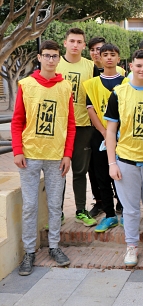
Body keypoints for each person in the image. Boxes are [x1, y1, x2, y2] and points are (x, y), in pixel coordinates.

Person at [12, 40, 75, 275]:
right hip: (29, 155)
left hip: (56, 156)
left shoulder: (65, 87)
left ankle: (54, 247)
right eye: (46, 55)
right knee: (29, 206)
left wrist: (67, 154)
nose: (50, 59)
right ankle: (29, 252)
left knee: (54, 205)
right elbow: (17, 120)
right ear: (39, 58)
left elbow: (70, 124)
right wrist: (18, 150)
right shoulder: (26, 85)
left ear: (59, 59)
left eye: (54, 56)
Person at [104, 49, 143, 266]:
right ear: (131, 66)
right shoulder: (119, 93)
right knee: (129, 208)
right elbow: (111, 131)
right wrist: (112, 163)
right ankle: (131, 245)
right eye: (139, 65)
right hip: (126, 159)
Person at [56, 27, 99, 227]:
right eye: (71, 41)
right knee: (58, 171)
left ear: (84, 45)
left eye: (79, 42)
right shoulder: (54, 64)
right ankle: (57, 212)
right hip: (58, 127)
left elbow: (96, 97)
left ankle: (81, 210)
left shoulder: (90, 67)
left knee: (80, 171)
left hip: (82, 125)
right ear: (65, 43)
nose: (75, 45)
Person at [84, 43, 127, 232]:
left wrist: (118, 134)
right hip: (99, 135)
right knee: (102, 175)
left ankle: (125, 212)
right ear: (99, 58)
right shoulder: (91, 83)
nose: (109, 58)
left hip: (124, 136)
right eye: (105, 55)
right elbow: (91, 109)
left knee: (123, 175)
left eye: (113, 54)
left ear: (119, 58)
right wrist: (104, 132)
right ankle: (110, 215)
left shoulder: (127, 82)